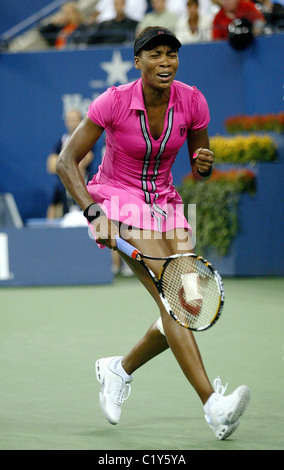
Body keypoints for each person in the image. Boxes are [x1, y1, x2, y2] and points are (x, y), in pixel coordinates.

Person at [56, 26, 250, 440]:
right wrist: (94, 213)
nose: (166, 62)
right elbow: (66, 162)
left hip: (166, 203)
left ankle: (118, 369)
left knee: (189, 305)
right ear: (137, 61)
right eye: (155, 55)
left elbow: (201, 162)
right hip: (117, 197)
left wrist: (204, 165)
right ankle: (213, 406)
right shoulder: (113, 101)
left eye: (172, 55)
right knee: (173, 297)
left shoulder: (193, 100)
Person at [47, 109, 94, 219]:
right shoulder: (61, 142)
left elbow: (86, 160)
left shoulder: (89, 137)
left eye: (75, 120)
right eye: (69, 120)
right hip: (68, 218)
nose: (72, 123)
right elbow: (52, 166)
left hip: (88, 219)